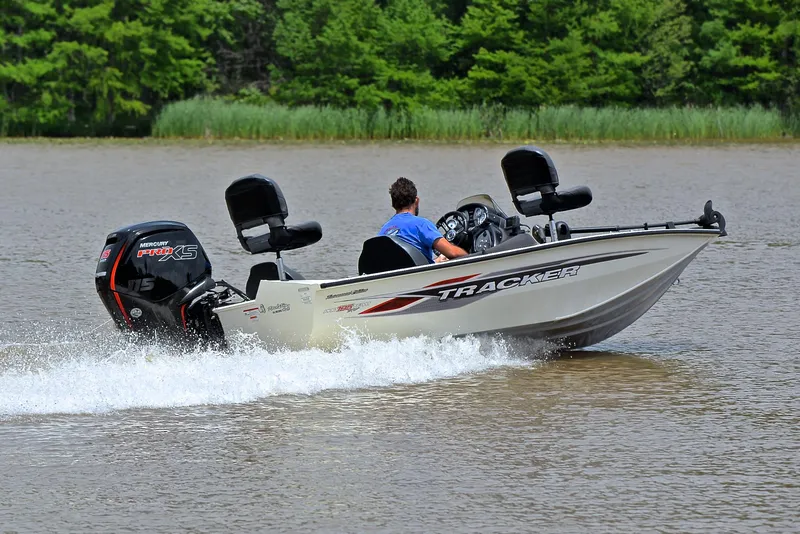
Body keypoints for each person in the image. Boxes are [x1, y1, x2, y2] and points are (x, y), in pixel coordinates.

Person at [379, 177, 468, 263]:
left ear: (393, 204)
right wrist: (471, 256)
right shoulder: (421, 224)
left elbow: (399, 262)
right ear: (416, 200)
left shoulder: (383, 231)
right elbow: (453, 253)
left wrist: (435, 262)